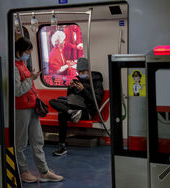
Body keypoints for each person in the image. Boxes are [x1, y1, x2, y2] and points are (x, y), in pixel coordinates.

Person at [15, 37, 63, 182]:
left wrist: (31, 78)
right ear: (19, 50)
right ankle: (22, 171)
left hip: (32, 107)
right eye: (27, 50)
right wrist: (31, 79)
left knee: (37, 140)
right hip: (21, 109)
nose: (28, 53)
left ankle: (43, 171)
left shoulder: (22, 64)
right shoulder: (14, 67)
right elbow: (17, 91)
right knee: (20, 143)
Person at [49, 57, 104, 156]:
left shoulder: (97, 82)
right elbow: (70, 98)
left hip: (87, 111)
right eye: (79, 72)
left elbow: (96, 101)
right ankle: (70, 113)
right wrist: (70, 89)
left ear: (88, 70)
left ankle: (62, 145)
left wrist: (84, 90)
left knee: (62, 114)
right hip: (75, 108)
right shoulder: (77, 80)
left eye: (83, 72)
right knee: (52, 101)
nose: (81, 74)